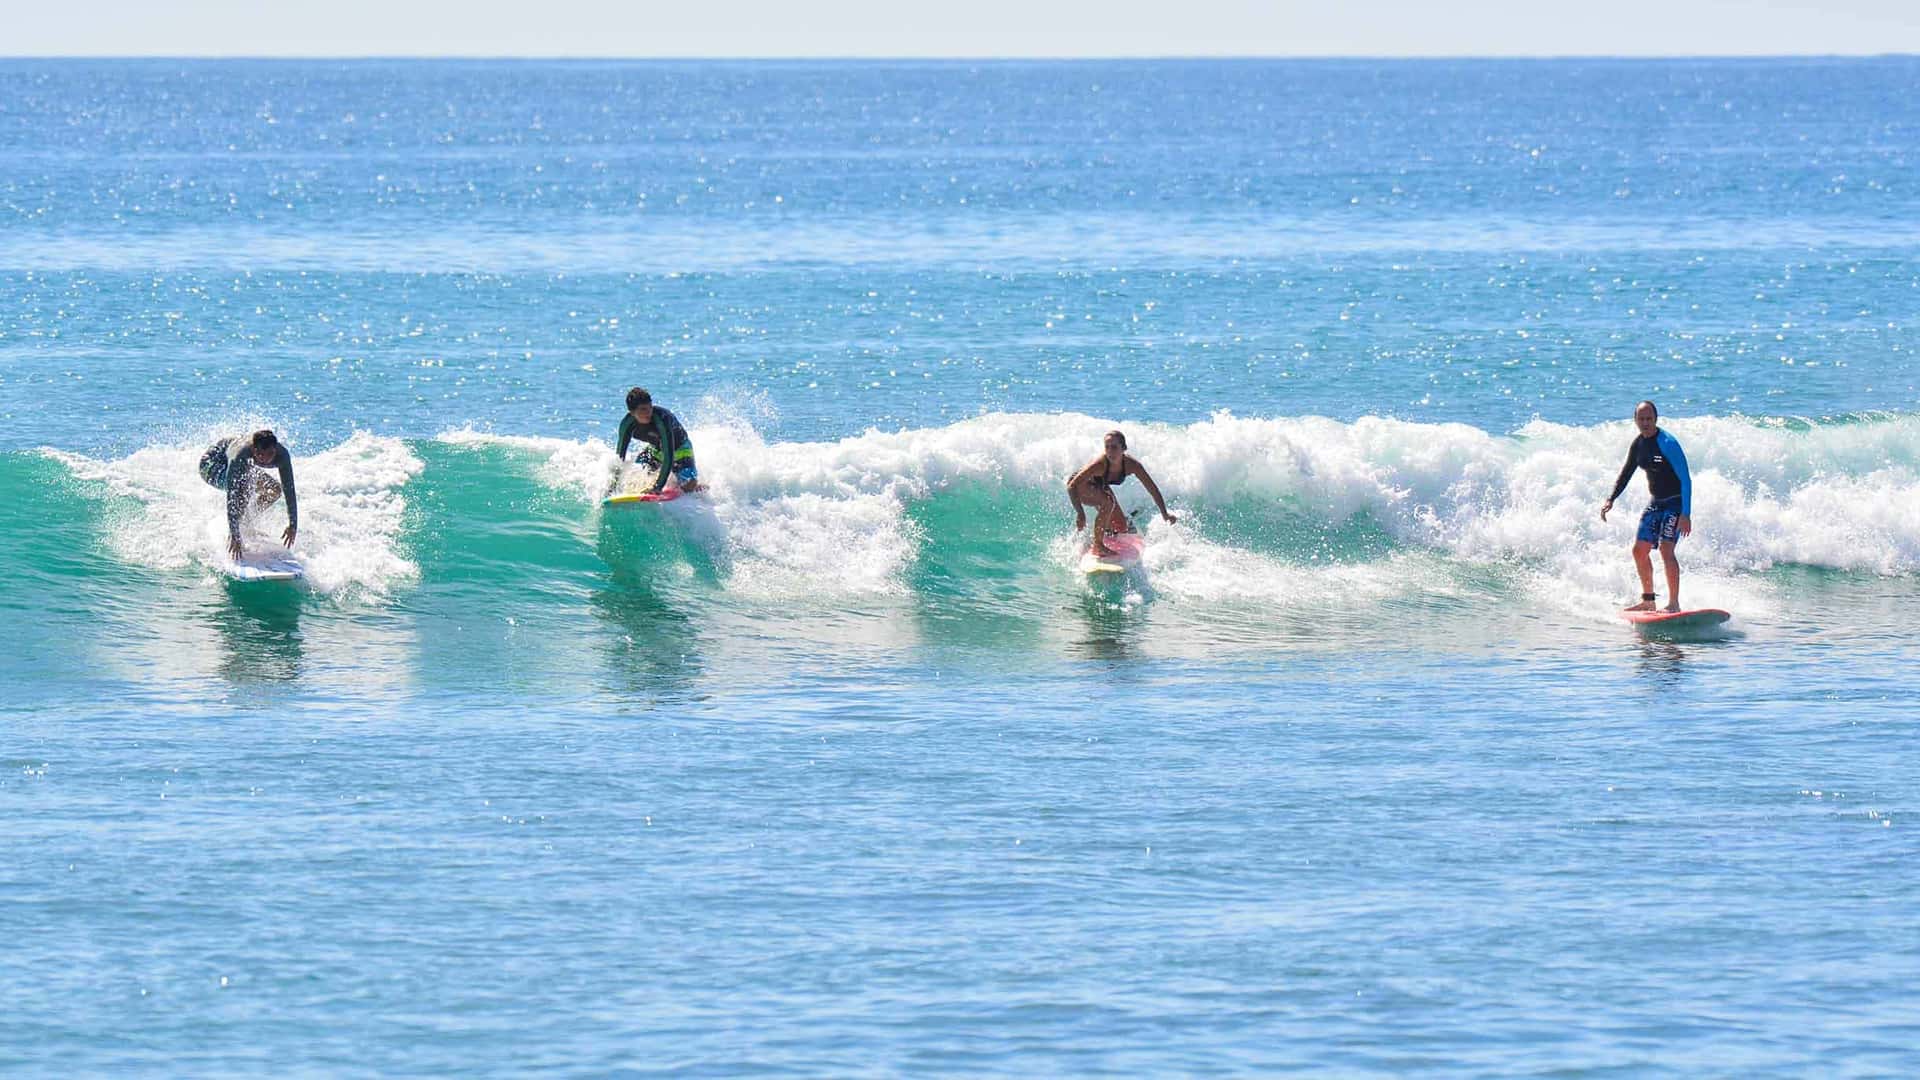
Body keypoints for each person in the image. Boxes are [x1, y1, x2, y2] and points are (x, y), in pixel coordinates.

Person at [1600, 400, 1693, 612]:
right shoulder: (1639, 444)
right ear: (1635, 420)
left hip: (1675, 502)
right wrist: (1611, 499)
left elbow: (1686, 480)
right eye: (1641, 419)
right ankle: (1649, 600)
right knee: (1639, 550)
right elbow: (1626, 472)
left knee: (1666, 549)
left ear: (1655, 419)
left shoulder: (1668, 443)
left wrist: (1685, 514)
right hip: (1656, 503)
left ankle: (1674, 604)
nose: (1645, 423)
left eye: (1649, 419)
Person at [1066, 429, 1176, 558]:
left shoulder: (1132, 465)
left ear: (1123, 448)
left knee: (1121, 526)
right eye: (1107, 447)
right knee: (1108, 503)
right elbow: (1072, 485)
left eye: (1114, 447)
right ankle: (1098, 546)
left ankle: (1105, 532)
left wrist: (1165, 513)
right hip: (1081, 487)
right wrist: (1080, 513)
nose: (1110, 451)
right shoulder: (1100, 465)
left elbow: (1152, 489)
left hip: (1100, 487)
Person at [198, 429, 298, 561]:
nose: (266, 459)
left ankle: (245, 523)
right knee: (244, 483)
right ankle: (235, 531)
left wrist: (293, 524)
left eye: (270, 453)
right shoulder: (240, 454)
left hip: (238, 464)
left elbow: (289, 489)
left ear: (276, 448)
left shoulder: (282, 455)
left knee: (274, 490)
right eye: (261, 455)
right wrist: (234, 534)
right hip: (211, 464)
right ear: (253, 449)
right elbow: (232, 496)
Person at [615, 387, 701, 495]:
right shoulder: (626, 425)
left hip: (680, 449)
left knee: (688, 486)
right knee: (635, 475)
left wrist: (657, 488)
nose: (648, 412)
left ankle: (699, 487)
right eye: (643, 409)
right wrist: (612, 487)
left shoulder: (662, 419)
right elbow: (619, 458)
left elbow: (669, 456)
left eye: (650, 407)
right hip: (655, 450)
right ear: (632, 412)